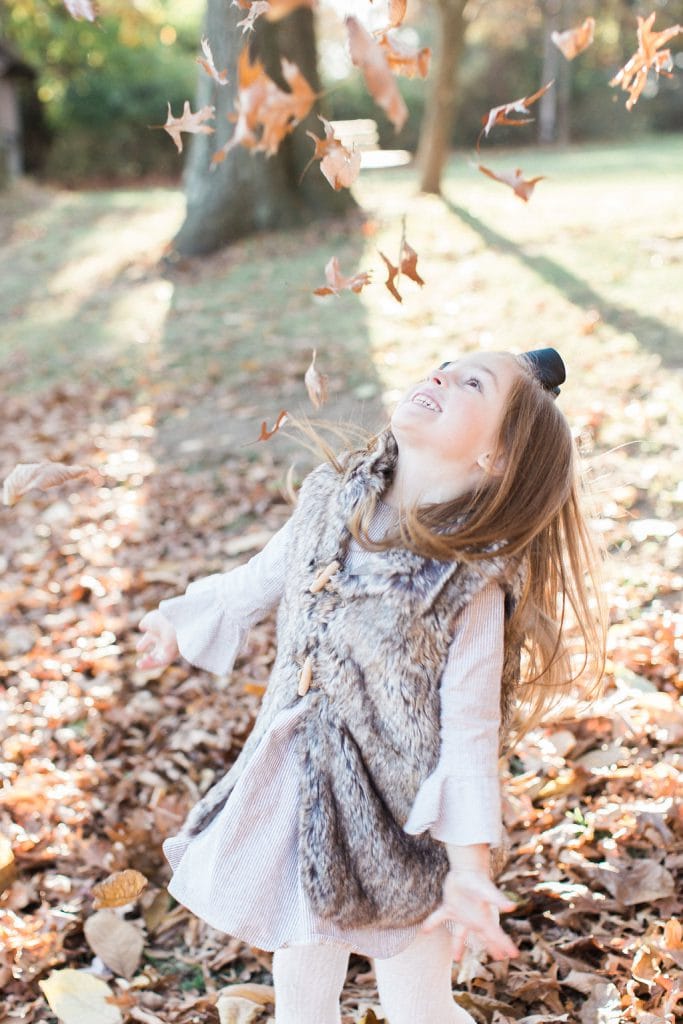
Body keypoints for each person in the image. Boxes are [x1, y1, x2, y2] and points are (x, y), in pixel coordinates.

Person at [135, 348, 606, 1024]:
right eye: (445, 363)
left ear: (495, 456)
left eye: (472, 382)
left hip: (400, 828)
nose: (440, 375)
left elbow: (468, 735)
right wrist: (181, 624)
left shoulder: (463, 582)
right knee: (302, 988)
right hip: (303, 789)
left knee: (418, 1007)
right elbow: (259, 578)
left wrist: (468, 867)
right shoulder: (331, 502)